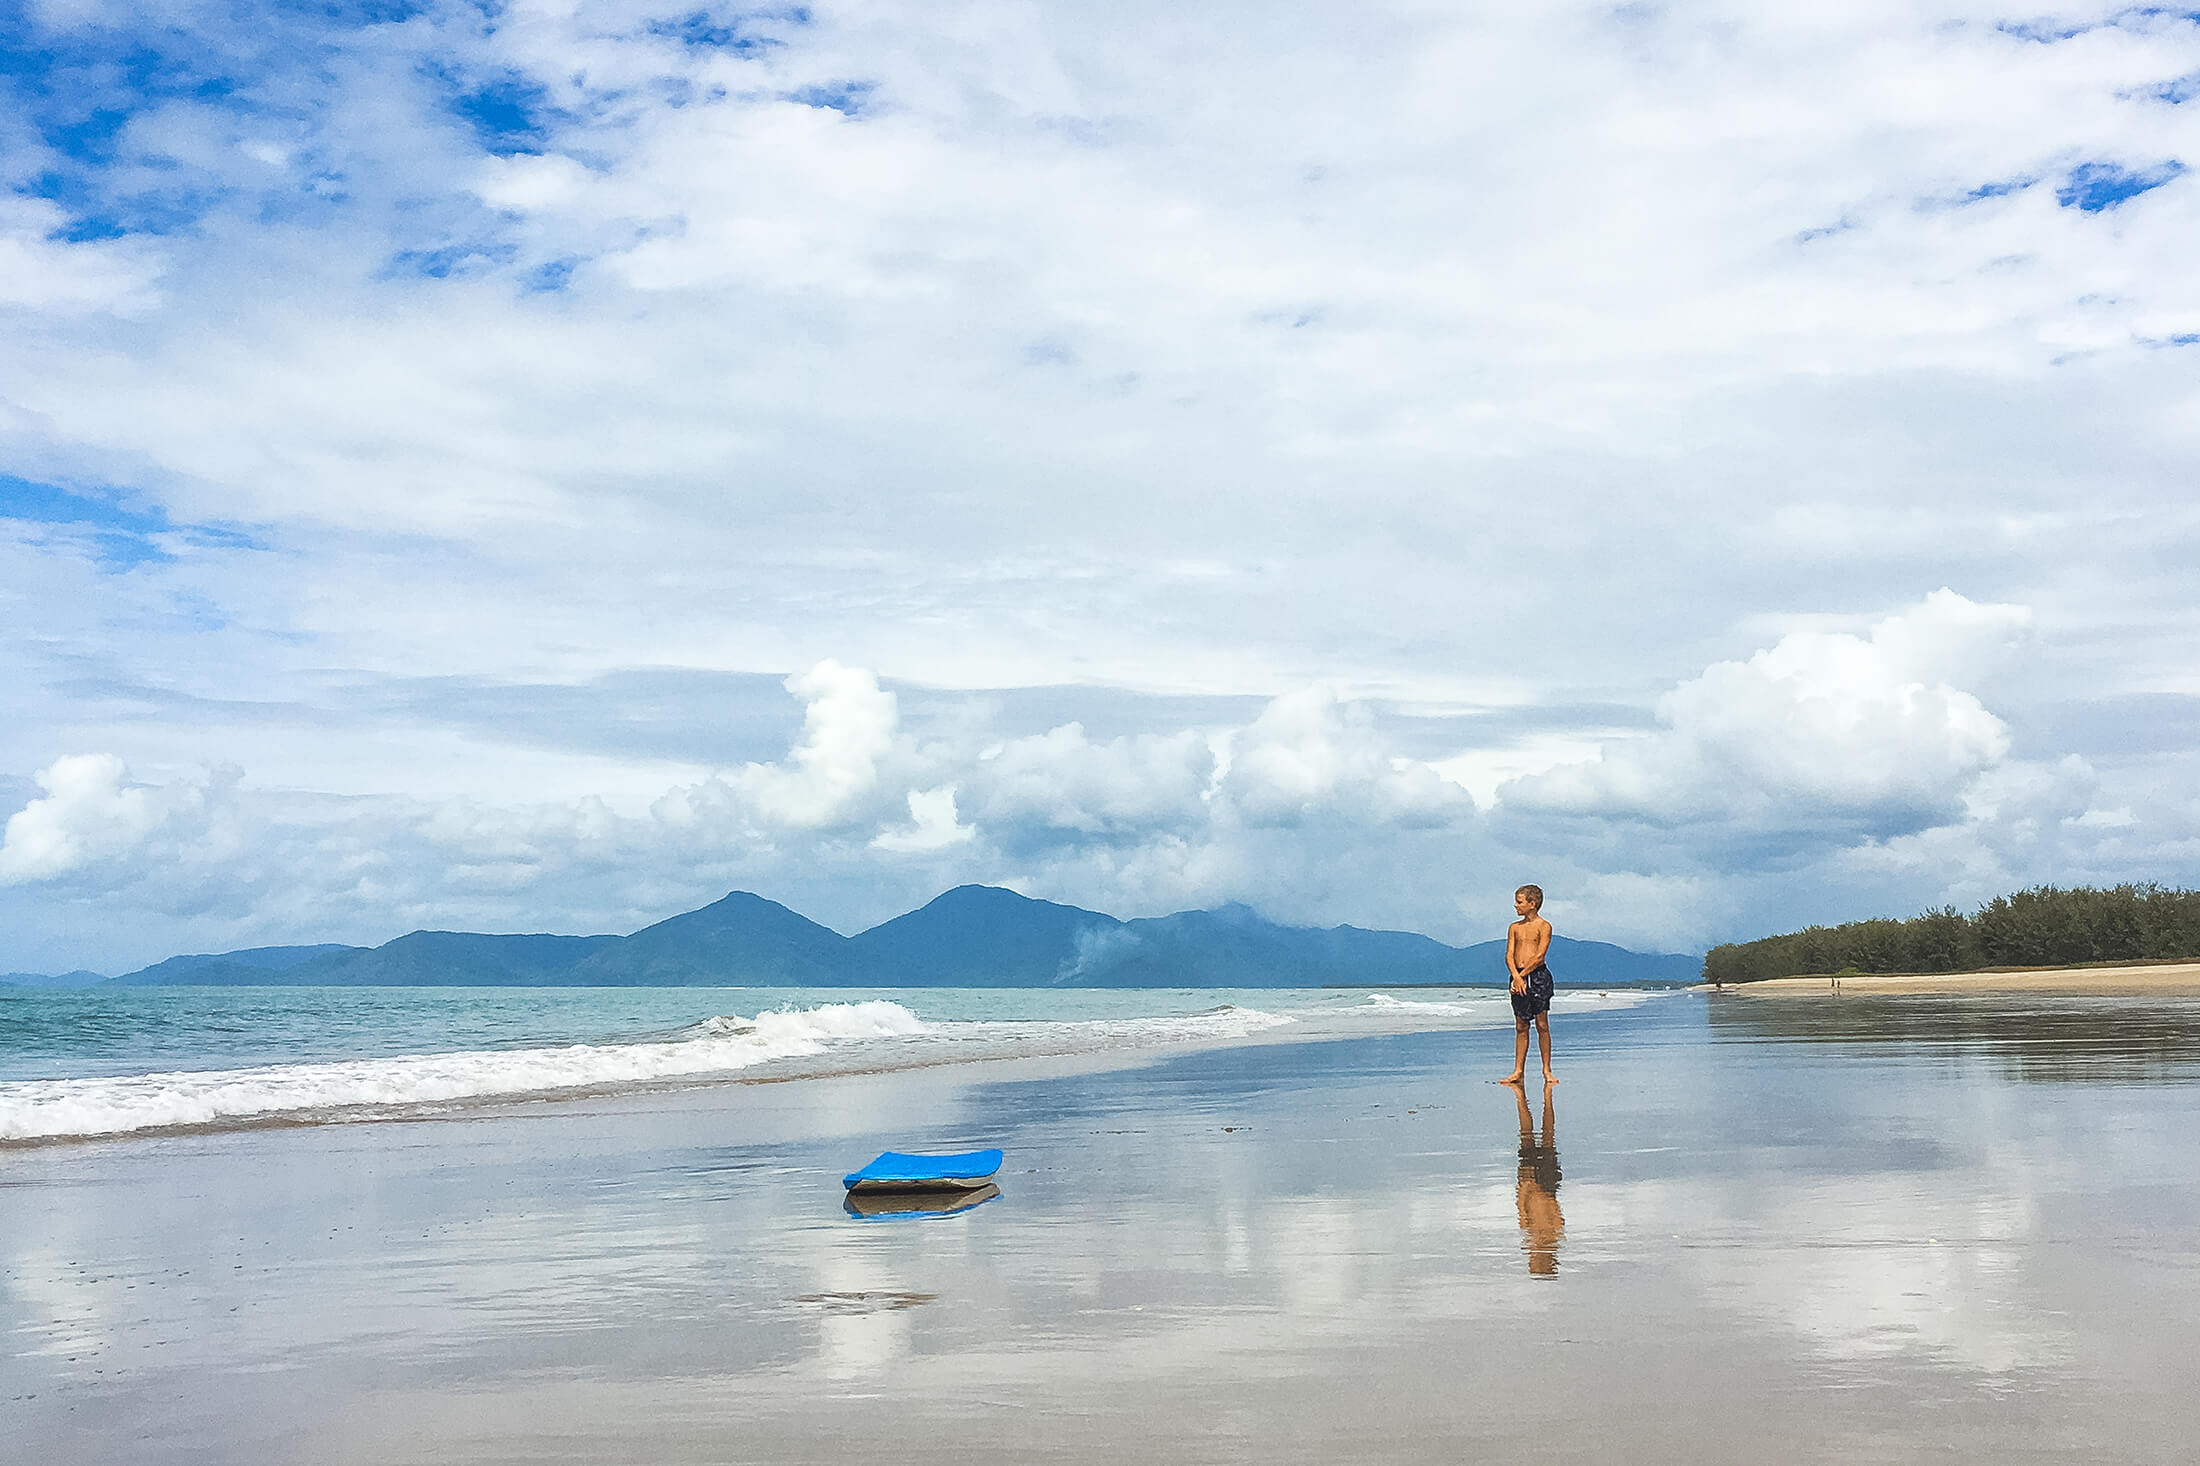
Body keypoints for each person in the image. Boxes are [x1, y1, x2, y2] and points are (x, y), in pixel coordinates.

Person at [1502, 883, 1556, 1086]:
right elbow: (1509, 954)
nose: (1516, 906)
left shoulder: (1544, 926)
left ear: (1532, 904)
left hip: (1537, 977)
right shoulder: (1514, 927)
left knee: (1542, 1024)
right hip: (1518, 977)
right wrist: (1516, 976)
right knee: (1521, 1025)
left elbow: (1540, 956)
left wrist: (1523, 975)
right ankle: (1518, 1070)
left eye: (1519, 902)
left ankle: (1547, 1070)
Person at [1513, 1082, 1564, 1276]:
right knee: (1541, 1137)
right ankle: (1539, 1100)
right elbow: (1556, 1214)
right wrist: (1524, 1190)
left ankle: (1528, 1099)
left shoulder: (1537, 1237)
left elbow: (1524, 1212)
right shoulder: (1545, 1236)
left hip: (1540, 1189)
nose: (1531, 1256)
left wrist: (1523, 1189)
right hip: (1542, 1189)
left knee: (1533, 1137)